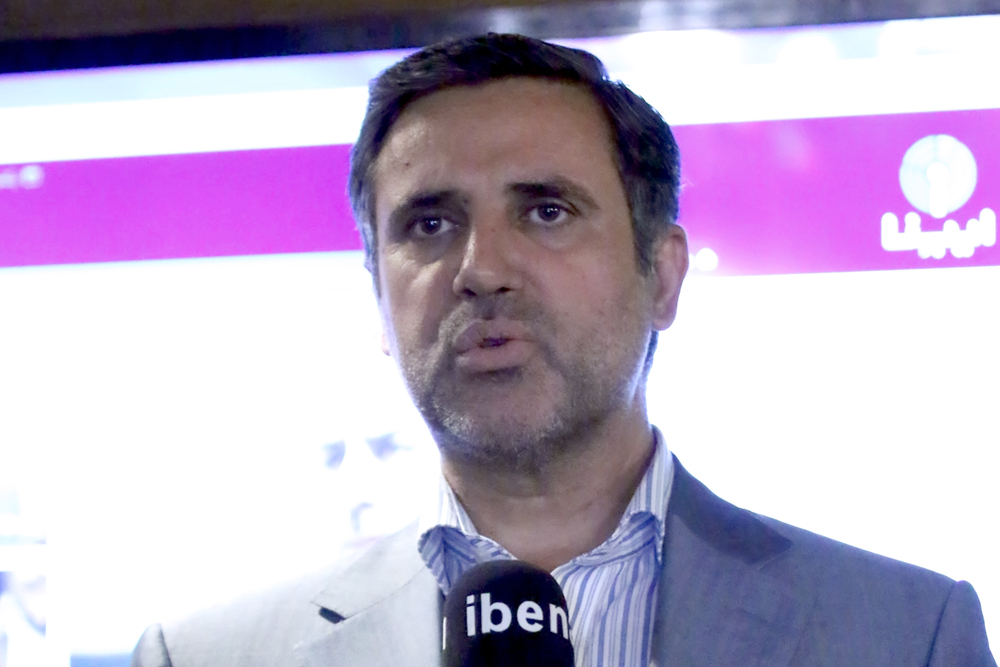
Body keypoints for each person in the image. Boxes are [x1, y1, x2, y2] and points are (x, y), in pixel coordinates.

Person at [130, 33, 996, 667]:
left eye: (546, 211)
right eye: (429, 224)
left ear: (662, 276)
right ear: (379, 305)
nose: (482, 269)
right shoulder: (205, 656)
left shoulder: (906, 634)